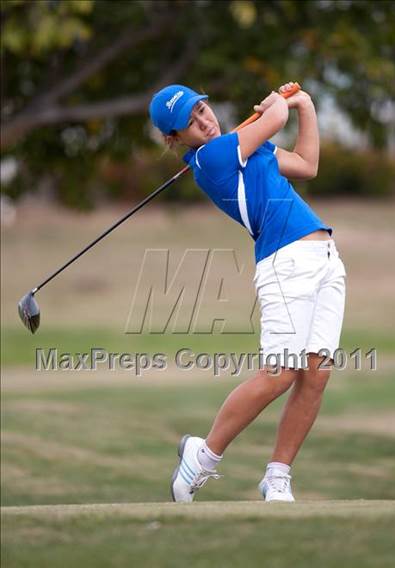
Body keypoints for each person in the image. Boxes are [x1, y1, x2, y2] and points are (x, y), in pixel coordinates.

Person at [148, 82, 346, 503]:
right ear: (175, 139)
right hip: (284, 263)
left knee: (316, 375)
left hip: (325, 259)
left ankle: (277, 477)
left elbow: (307, 165)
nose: (205, 121)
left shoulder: (246, 149)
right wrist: (279, 101)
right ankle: (203, 456)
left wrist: (305, 106)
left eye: (203, 108)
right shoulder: (211, 158)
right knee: (279, 375)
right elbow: (274, 119)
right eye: (191, 122)